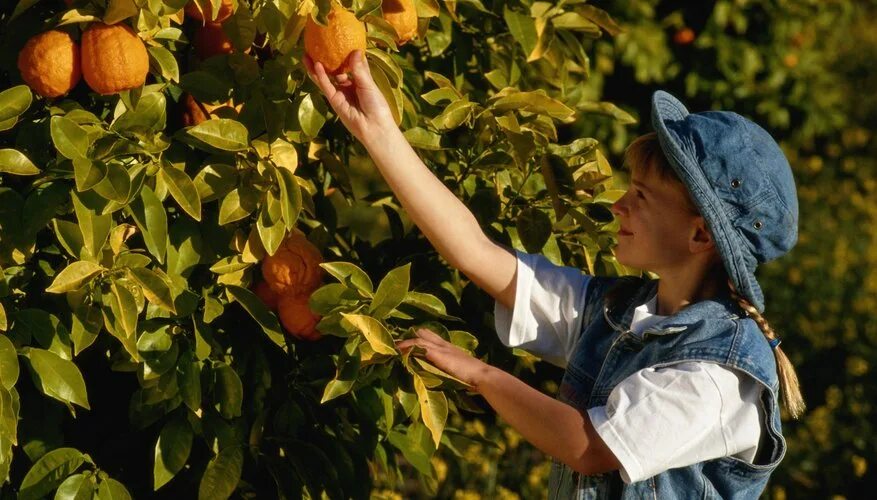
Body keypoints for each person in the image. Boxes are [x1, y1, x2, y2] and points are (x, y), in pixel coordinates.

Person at [304, 49, 804, 498]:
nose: (618, 205)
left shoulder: (720, 376)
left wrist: (480, 373)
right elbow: (476, 252)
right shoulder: (618, 313)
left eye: (641, 197)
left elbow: (586, 446)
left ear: (700, 236)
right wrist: (377, 130)